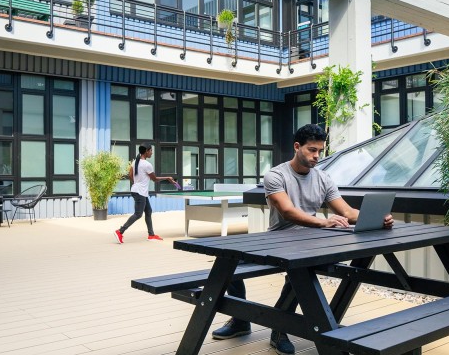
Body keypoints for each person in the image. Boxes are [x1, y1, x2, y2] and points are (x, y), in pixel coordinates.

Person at [211, 124, 394, 355]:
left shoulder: (323, 179)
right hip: (279, 239)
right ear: (297, 147)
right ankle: (240, 320)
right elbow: (288, 211)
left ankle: (279, 329)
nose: (317, 156)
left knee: (301, 273)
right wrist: (324, 222)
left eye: (320, 151)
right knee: (228, 260)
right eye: (311, 150)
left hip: (311, 242)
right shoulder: (275, 175)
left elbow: (347, 212)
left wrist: (378, 218)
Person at [113, 143, 177, 244]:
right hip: (140, 192)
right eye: (151, 151)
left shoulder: (135, 162)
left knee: (148, 211)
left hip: (138, 191)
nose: (152, 153)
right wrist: (168, 178)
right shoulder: (147, 165)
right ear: (146, 151)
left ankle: (151, 235)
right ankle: (120, 231)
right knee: (138, 214)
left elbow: (130, 175)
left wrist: (136, 184)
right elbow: (154, 179)